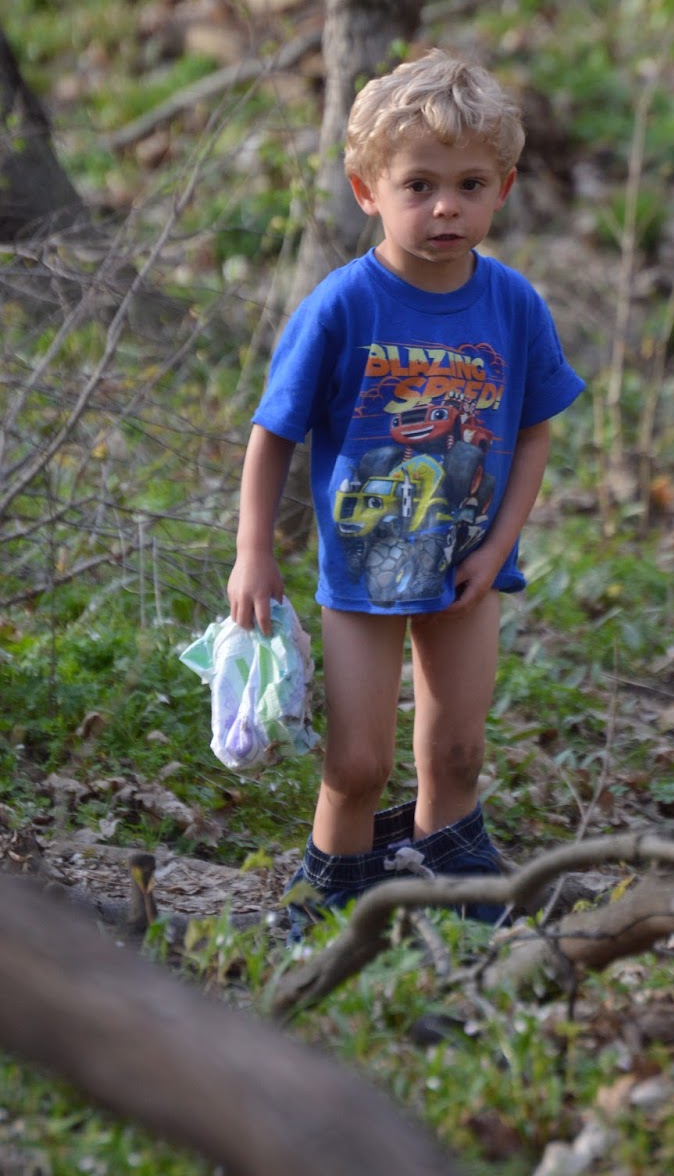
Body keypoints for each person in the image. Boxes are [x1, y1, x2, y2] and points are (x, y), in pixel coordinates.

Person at [227, 49, 585, 929]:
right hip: (364, 568)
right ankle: (330, 897)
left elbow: (534, 428)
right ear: (366, 190)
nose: (445, 208)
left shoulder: (512, 306)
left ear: (503, 189)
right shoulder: (344, 305)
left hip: (467, 564)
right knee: (356, 763)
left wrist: (499, 547)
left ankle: (450, 888)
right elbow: (273, 433)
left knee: (457, 749)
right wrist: (252, 553)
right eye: (418, 186)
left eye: (469, 185)